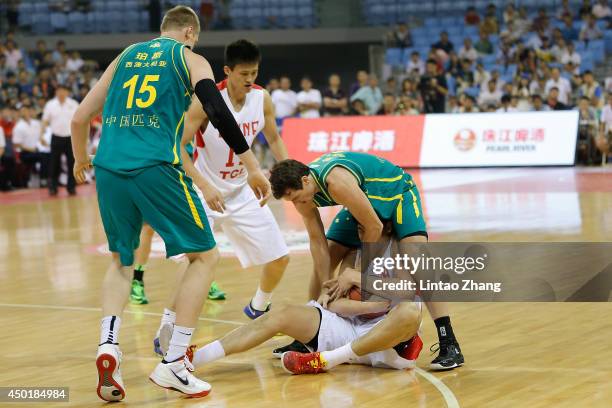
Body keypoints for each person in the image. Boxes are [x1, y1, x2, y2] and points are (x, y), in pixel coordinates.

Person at [70, 6, 270, 401]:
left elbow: (79, 119)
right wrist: (252, 164)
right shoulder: (190, 57)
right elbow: (217, 110)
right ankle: (175, 363)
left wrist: (80, 160)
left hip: (108, 166)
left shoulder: (126, 54)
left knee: (121, 261)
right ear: (190, 31)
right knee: (205, 256)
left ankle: (108, 345)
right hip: (155, 165)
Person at [269, 152, 465, 370]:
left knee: (417, 258)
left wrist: (355, 275)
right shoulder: (301, 191)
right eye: (290, 200)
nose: (295, 203)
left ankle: (449, 341)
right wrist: (326, 284)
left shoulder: (336, 181)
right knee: (329, 256)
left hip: (397, 192)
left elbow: (374, 227)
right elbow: (317, 242)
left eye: (295, 197)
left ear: (305, 180)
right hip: (366, 198)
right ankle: (310, 334)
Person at [41, 84, 78, 195]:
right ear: (56, 93)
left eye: (63, 91)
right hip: (56, 137)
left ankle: (71, 187)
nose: (61, 93)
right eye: (59, 91)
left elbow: (79, 120)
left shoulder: (73, 104)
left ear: (67, 92)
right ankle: (53, 187)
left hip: (70, 137)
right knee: (54, 163)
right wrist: (41, 136)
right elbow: (44, 121)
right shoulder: (50, 105)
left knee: (72, 162)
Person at [12, 105, 48, 187]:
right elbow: (17, 144)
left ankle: (48, 178)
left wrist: (43, 142)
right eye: (22, 111)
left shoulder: (36, 123)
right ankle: (43, 180)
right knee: (43, 157)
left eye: (25, 110)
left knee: (49, 155)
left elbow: (41, 136)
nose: (24, 112)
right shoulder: (18, 126)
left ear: (29, 111)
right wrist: (31, 149)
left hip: (37, 150)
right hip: (25, 152)